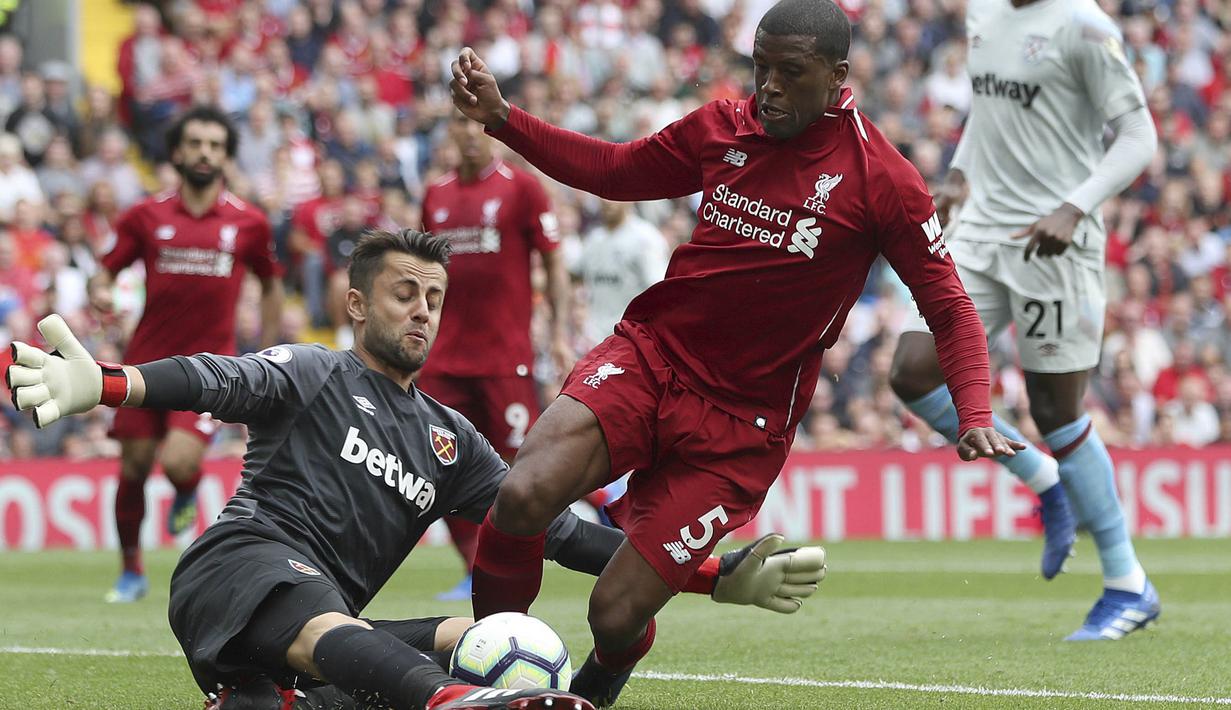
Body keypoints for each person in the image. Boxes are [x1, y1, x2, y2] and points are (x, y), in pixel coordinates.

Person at [449, 0, 1020, 705]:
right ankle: (490, 692)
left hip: (738, 428)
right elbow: (616, 172)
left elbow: (950, 304)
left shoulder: (882, 180)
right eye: (759, 67)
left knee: (616, 614)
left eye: (789, 72)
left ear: (837, 76)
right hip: (651, 359)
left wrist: (973, 410)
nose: (768, 86)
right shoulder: (721, 126)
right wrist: (505, 119)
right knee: (522, 492)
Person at [7, 230, 827, 710]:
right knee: (341, 629)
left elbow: (562, 536)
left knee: (492, 639)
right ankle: (456, 706)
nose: (423, 310)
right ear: (358, 305)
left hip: (314, 630)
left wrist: (712, 575)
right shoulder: (316, 371)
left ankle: (274, 696)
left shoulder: (450, 439)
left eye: (434, 297)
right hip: (240, 568)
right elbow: (220, 377)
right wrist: (110, 384)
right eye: (404, 293)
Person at [887, 0, 1161, 641]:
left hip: (1056, 238)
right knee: (912, 370)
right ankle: (1043, 479)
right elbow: (991, 108)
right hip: (983, 227)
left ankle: (1128, 585)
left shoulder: (1085, 27)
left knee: (1056, 411)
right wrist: (958, 172)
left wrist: (1076, 206)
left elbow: (1139, 134)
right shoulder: (984, 13)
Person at [88, 105, 284, 604]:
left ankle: (186, 487)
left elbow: (271, 283)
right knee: (132, 467)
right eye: (195, 143)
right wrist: (102, 293)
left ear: (226, 156)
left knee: (177, 461)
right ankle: (131, 569)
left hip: (210, 370)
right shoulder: (145, 215)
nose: (205, 153)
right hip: (144, 362)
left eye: (216, 145)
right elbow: (105, 271)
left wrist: (270, 345)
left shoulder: (249, 222)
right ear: (177, 152)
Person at [417, 110, 574, 602]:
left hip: (506, 358)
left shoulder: (522, 189)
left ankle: (520, 559)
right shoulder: (436, 195)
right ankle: (471, 567)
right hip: (444, 360)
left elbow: (553, 259)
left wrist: (559, 333)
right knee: (438, 464)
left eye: (478, 125)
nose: (468, 133)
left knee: (517, 468)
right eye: (459, 124)